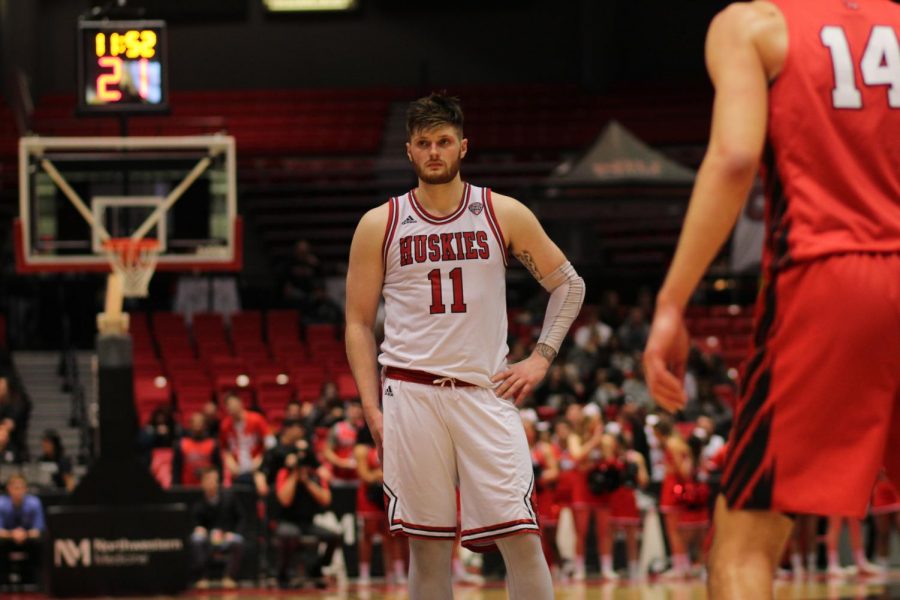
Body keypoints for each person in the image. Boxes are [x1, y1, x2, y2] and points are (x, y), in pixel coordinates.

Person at [642, 1, 900, 597]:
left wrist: (671, 301)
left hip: (830, 276)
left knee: (743, 545)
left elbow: (734, 159)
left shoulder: (753, 25)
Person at [345, 93, 585, 600]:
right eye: (424, 143)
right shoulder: (378, 225)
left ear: (463, 146)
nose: (435, 151)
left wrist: (542, 356)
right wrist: (370, 407)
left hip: (484, 392)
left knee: (522, 537)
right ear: (409, 151)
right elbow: (358, 323)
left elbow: (570, 285)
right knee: (428, 548)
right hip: (411, 396)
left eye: (444, 141)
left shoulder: (501, 212)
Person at [274, 440, 340, 589]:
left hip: (308, 522)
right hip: (288, 520)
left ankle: (317, 568)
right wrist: (295, 476)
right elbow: (284, 500)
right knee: (289, 534)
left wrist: (307, 482)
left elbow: (326, 500)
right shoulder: (284, 472)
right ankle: (284, 573)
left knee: (334, 536)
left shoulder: (315, 474)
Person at [190, 468, 246, 589]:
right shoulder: (198, 501)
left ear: (217, 481)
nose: (209, 483)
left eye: (212, 479)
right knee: (196, 539)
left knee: (238, 541)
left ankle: (229, 577)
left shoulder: (229, 496)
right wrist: (199, 528)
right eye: (206, 480)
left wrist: (233, 533)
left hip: (226, 536)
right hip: (208, 538)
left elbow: (241, 518)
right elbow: (194, 521)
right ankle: (202, 577)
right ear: (202, 483)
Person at [0, 474, 45, 586]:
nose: (18, 491)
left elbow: (38, 530)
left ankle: (36, 581)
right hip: (8, 539)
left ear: (26, 489)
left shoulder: (34, 503)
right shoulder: (1, 504)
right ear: (9, 489)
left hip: (28, 539)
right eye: (15, 487)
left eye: (21, 487)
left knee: (39, 542)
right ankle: (3, 582)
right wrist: (12, 534)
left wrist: (24, 534)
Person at [220, 393, 271, 486]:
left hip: (257, 469)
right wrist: (230, 462)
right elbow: (225, 449)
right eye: (228, 406)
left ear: (240, 403)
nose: (231, 408)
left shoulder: (257, 419)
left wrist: (261, 459)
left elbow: (270, 443)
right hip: (237, 471)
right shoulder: (225, 425)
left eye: (233, 404)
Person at [173, 412, 223, 487]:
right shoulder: (181, 444)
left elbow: (219, 468)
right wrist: (176, 489)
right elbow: (176, 469)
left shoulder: (213, 444)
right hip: (186, 488)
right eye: (195, 422)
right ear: (190, 425)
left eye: (200, 422)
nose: (197, 425)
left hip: (207, 489)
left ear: (205, 425)